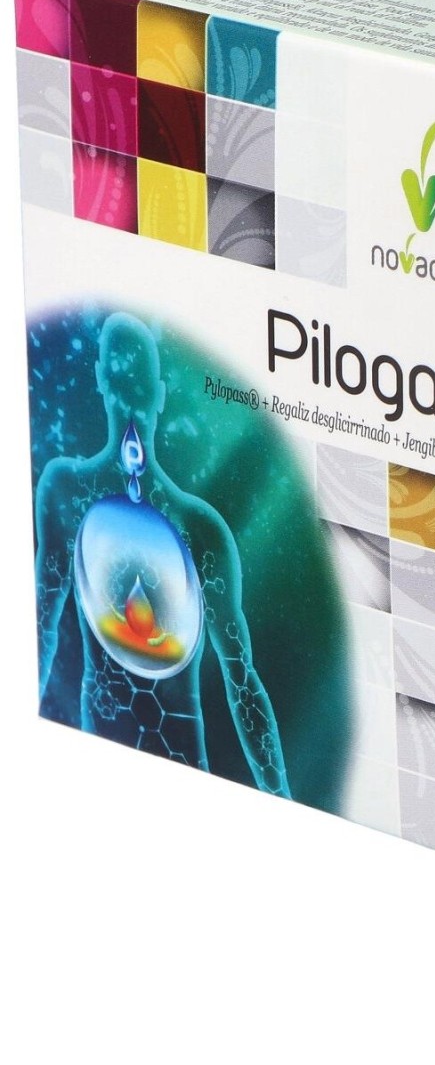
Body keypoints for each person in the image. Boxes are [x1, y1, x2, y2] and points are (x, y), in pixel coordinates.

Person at [34, 312, 291, 797]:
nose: (130, 397)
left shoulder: (199, 529)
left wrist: (284, 802)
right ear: (103, 381)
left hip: (181, 766)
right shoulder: (68, 491)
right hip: (99, 760)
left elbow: (242, 681)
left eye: (135, 382)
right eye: (122, 379)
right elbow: (40, 626)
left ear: (157, 393)